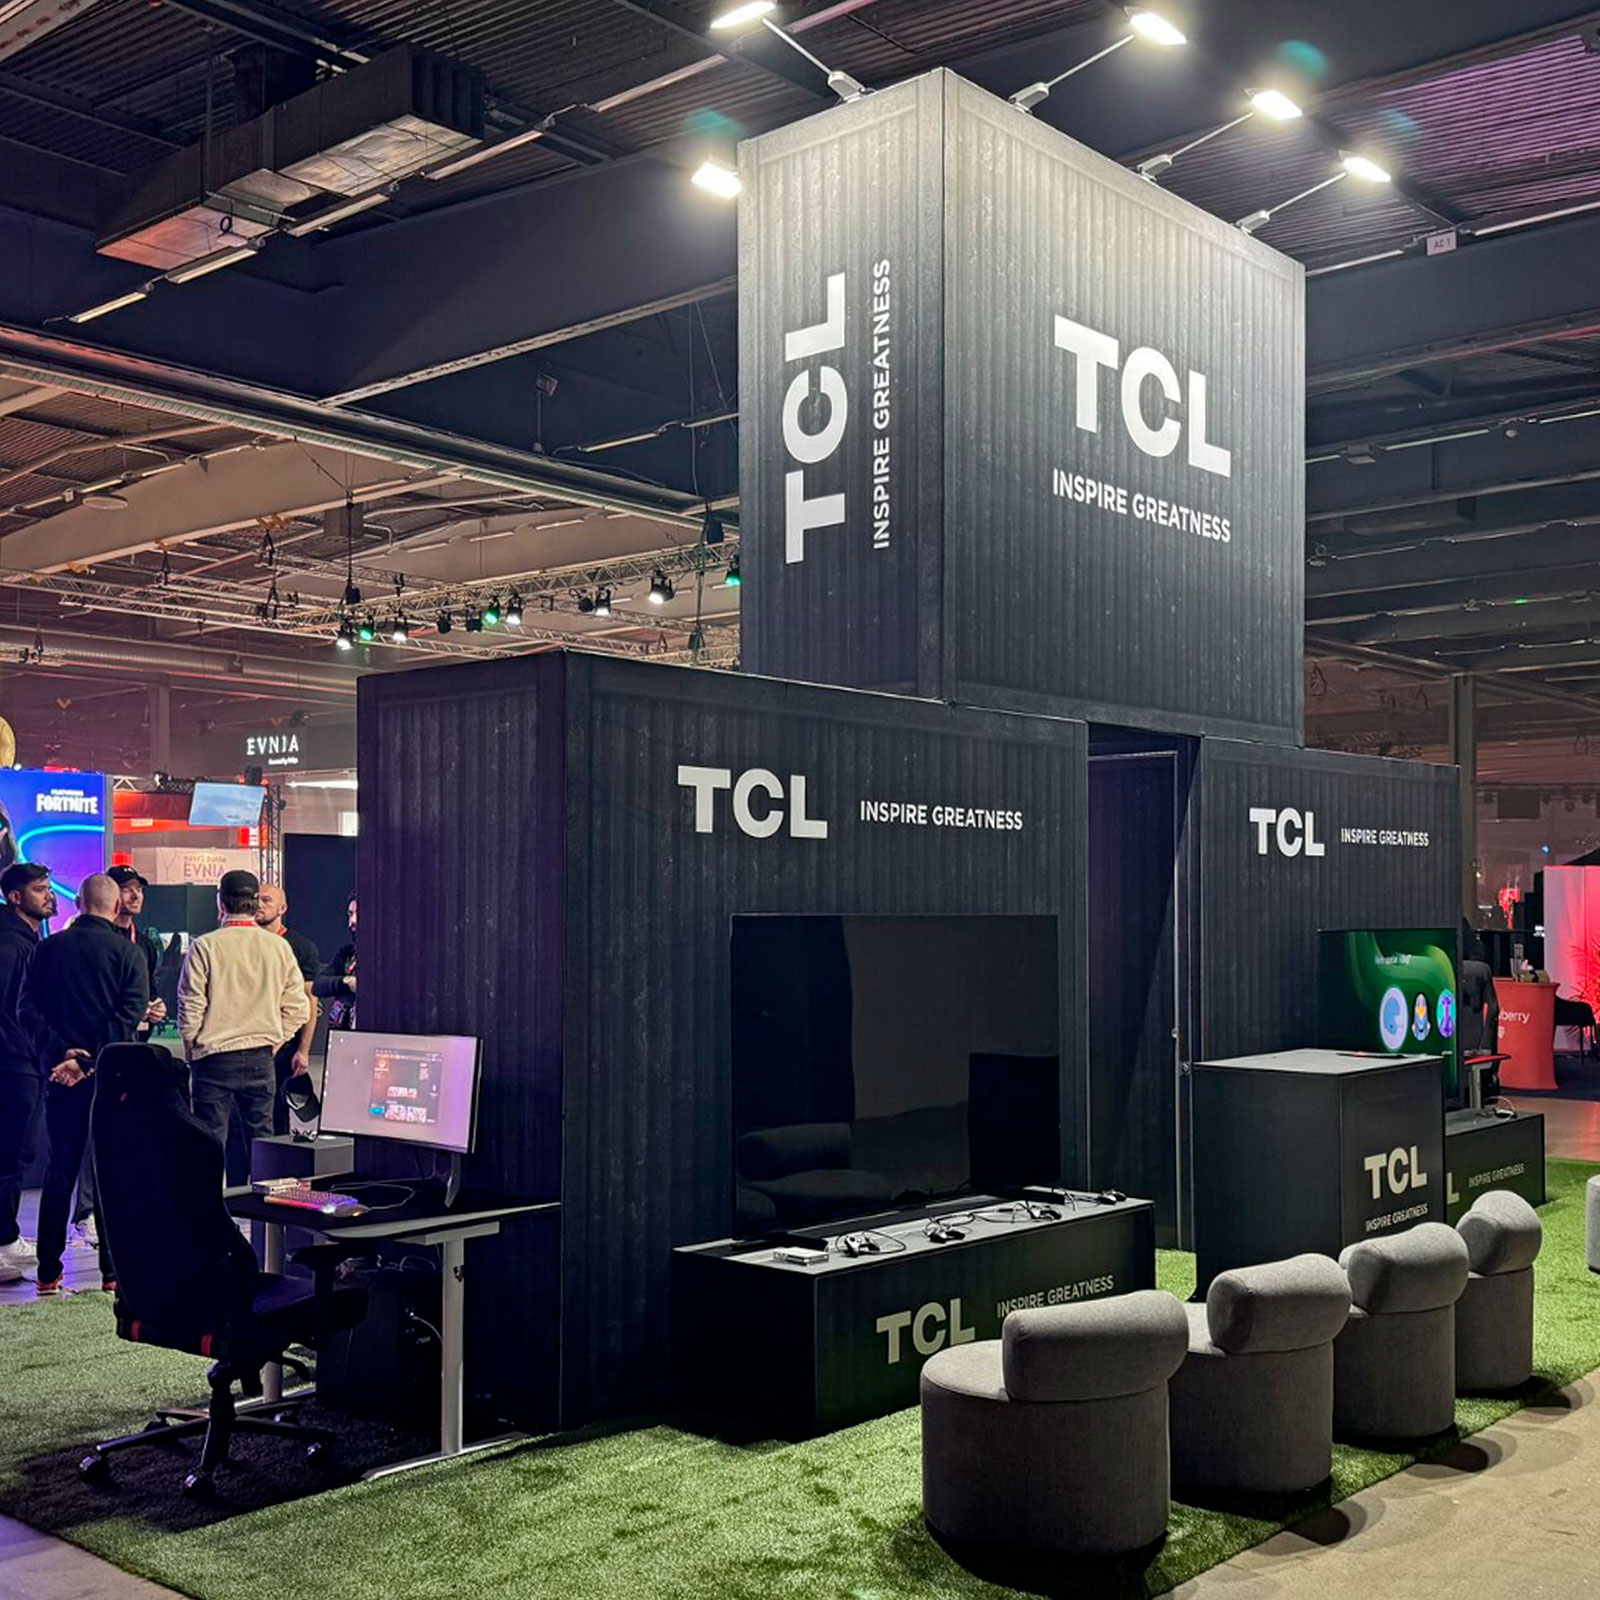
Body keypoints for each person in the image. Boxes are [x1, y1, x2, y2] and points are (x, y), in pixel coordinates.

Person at [20, 872, 148, 1294]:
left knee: (61, 1169)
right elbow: (129, 1014)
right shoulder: (128, 954)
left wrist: (64, 1055)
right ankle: (112, 1271)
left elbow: (26, 1010)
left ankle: (47, 1271)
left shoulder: (45, 950)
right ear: (116, 907)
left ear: (77, 903)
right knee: (112, 1171)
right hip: (112, 1077)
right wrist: (90, 1059)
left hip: (61, 1076)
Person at [178, 870, 310, 1178]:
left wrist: (191, 1046)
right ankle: (264, 1208)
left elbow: (190, 1006)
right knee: (262, 1142)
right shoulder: (278, 947)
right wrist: (276, 1041)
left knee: (209, 1145)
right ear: (254, 903)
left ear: (220, 902)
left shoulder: (205, 946)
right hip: (260, 1058)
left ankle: (209, 1207)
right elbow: (298, 1008)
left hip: (213, 1059)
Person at [0, 864, 53, 1283]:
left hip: (25, 1060)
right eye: (39, 889)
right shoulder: (10, 945)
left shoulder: (28, 940)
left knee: (19, 1152)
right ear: (16, 897)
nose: (49, 895)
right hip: (13, 1062)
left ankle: (7, 1233)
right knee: (10, 1153)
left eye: (49, 888)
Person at [255, 882, 319, 1134]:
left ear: (282, 908)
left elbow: (309, 1000)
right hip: (250, 1042)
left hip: (283, 1045)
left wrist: (303, 1050)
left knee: (277, 1115)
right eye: (256, 899)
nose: (259, 904)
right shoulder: (245, 943)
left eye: (266, 900)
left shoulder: (301, 948)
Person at [314, 896, 358, 1032]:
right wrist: (346, 982)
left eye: (358, 914)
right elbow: (318, 985)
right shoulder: (347, 953)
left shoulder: (386, 958)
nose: (353, 921)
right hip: (341, 1033)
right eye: (350, 914)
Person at [1459, 938, 1500, 1056]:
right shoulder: (1482, 970)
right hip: (1477, 1039)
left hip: (1454, 1040)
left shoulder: (1447, 969)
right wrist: (1487, 1044)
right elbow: (1493, 1008)